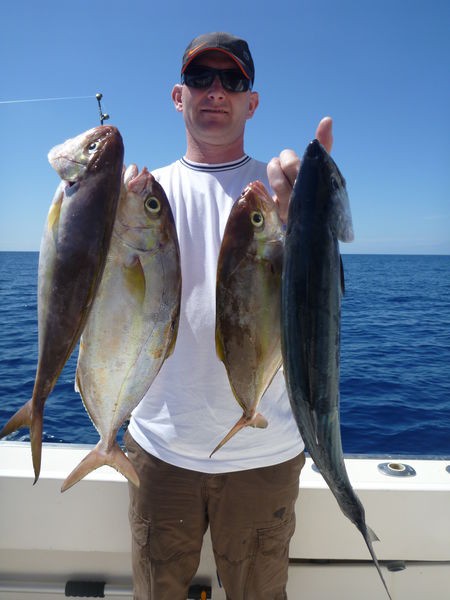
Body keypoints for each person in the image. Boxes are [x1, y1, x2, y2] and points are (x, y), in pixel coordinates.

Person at [124, 31, 333, 600]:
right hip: (159, 449)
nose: (215, 91)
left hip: (264, 455)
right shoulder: (144, 195)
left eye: (233, 81)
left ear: (252, 102)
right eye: (200, 78)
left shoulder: (279, 193)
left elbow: (318, 295)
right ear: (178, 96)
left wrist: (312, 211)